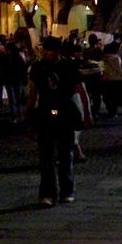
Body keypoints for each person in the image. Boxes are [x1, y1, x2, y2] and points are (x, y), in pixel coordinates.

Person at [27, 37, 81, 206]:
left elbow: (79, 89)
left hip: (65, 111)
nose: (46, 53)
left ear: (57, 51)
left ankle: (67, 190)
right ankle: (47, 193)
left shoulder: (69, 66)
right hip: (44, 113)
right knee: (46, 157)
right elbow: (33, 91)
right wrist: (29, 112)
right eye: (45, 50)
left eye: (49, 50)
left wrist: (86, 113)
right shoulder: (38, 67)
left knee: (66, 154)